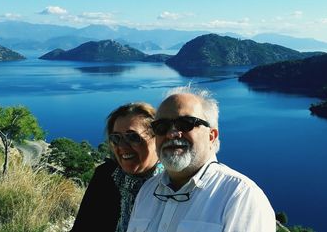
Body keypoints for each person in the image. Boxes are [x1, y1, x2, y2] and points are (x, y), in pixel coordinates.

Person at [126, 86, 275, 232]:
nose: (171, 134)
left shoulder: (240, 197)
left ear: (212, 136)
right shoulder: (147, 191)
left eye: (185, 124)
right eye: (161, 126)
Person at [71, 102, 163, 232]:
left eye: (133, 137)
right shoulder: (105, 176)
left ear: (158, 139)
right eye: (116, 138)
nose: (122, 146)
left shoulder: (174, 183)